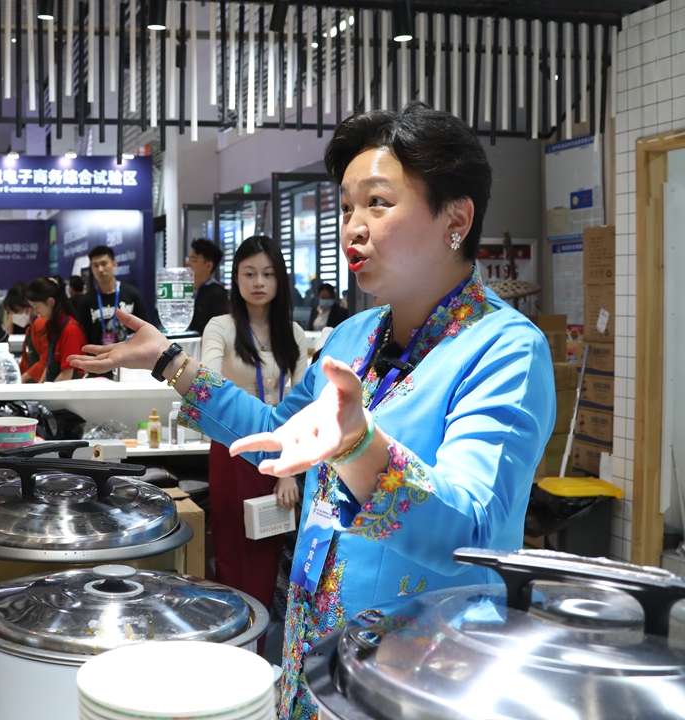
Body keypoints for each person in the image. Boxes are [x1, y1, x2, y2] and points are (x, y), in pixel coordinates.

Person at [69, 102, 555, 719]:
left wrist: (359, 448)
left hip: (421, 680)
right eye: (347, 205)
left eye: (378, 202)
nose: (353, 225)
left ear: (455, 218)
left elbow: (475, 533)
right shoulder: (355, 336)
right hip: (315, 652)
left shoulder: (506, 348)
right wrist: (169, 361)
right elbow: (277, 435)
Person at [200, 236, 308, 613]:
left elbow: (303, 407)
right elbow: (207, 384)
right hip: (233, 451)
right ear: (236, 278)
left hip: (280, 454)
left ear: (280, 280)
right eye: (249, 273)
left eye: (267, 274)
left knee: (266, 560)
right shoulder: (221, 327)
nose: (258, 282)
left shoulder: (292, 333)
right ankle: (237, 648)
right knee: (232, 558)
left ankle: (262, 655)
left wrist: (288, 472)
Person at [21, 276, 86, 383]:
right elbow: (48, 367)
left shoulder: (70, 330)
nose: (37, 313)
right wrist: (40, 388)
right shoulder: (54, 326)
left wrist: (46, 394)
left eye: (37, 307)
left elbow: (66, 375)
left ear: (51, 302)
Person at [186, 238, 229, 334]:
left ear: (208, 266)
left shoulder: (217, 294)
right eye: (189, 258)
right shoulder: (185, 290)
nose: (188, 263)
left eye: (193, 259)